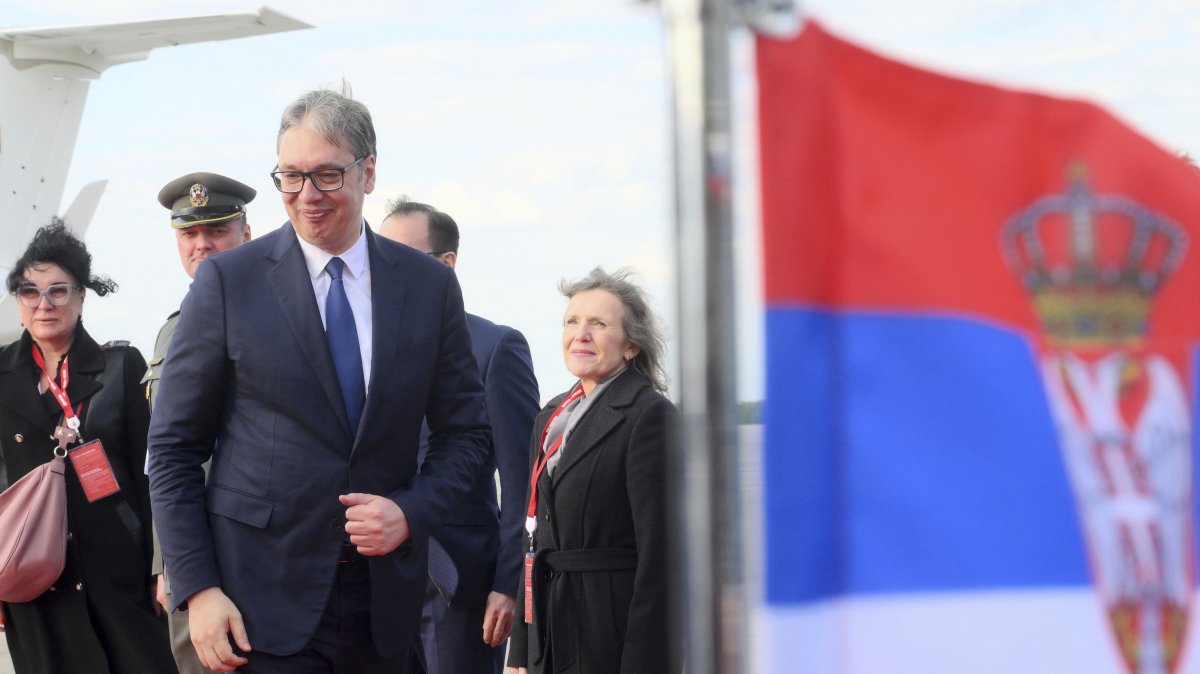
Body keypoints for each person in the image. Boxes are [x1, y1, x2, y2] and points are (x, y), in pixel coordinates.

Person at [146, 86, 490, 674]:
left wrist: (410, 512)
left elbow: (466, 434)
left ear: (368, 172)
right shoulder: (228, 283)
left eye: (327, 175)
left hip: (383, 609)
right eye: (290, 176)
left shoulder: (428, 287)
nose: (307, 195)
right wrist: (197, 588)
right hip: (255, 608)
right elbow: (174, 449)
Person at [0, 220, 176, 673]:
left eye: (59, 291)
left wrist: (162, 568)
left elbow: (151, 474)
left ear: (81, 297)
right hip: (33, 580)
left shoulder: (120, 367)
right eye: (30, 292)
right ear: (18, 303)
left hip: (119, 573)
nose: (44, 304)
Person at [379, 198, 540, 674]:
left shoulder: (495, 347)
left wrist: (508, 583)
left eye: (403, 257)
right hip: (377, 582)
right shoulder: (369, 348)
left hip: (457, 582)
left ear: (446, 264)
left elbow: (522, 482)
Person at [508, 266, 677, 674]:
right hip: (548, 632)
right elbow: (532, 539)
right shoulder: (550, 416)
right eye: (572, 321)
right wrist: (521, 650)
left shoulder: (649, 416)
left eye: (598, 324)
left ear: (631, 345)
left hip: (608, 635)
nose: (580, 335)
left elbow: (662, 562)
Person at [143, 172, 254, 674]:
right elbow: (163, 458)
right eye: (189, 233)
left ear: (246, 235)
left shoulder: (274, 320)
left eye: (217, 230)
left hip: (255, 547)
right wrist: (167, 563)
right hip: (190, 553)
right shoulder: (172, 330)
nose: (202, 244)